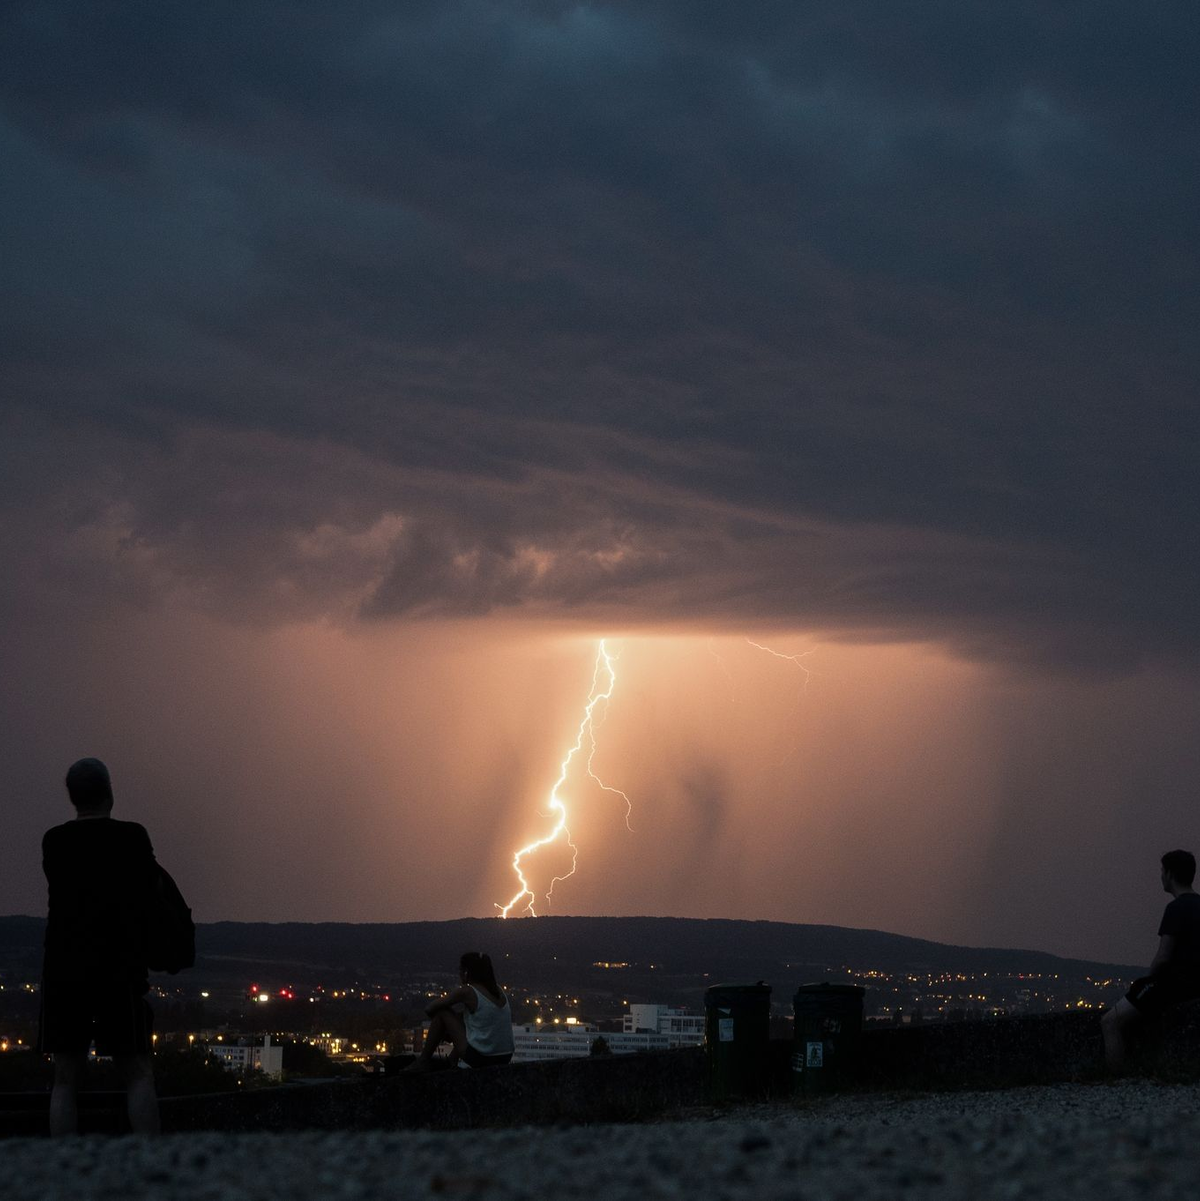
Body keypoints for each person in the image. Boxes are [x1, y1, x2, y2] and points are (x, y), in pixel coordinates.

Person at [37, 759, 161, 1135]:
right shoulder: (133, 838)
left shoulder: (54, 841)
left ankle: (68, 1177)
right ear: (110, 791)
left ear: (73, 797)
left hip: (64, 973)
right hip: (119, 971)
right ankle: (153, 1172)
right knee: (138, 1073)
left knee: (64, 1079)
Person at [1101, 849, 1200, 1072]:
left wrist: (1146, 980)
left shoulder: (1175, 908)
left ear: (1170, 874)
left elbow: (1163, 957)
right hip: (1195, 985)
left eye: (1162, 871)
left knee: (1110, 1022)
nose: (1160, 876)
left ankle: (1115, 1079)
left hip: (1175, 986)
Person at [409, 952, 514, 1070]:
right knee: (465, 1018)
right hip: (505, 1057)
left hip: (483, 1058)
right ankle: (451, 1061)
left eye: (460, 970)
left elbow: (429, 1009)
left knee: (442, 1013)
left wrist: (444, 1029)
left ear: (466, 972)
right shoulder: (499, 990)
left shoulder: (468, 991)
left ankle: (423, 1061)